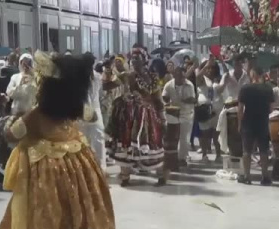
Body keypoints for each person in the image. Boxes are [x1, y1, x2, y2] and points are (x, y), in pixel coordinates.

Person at [0, 51, 115, 229]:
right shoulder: (75, 108)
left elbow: (11, 135)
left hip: (48, 173)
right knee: (79, 213)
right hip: (79, 167)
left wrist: (14, 119)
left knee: (49, 214)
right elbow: (92, 116)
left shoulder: (37, 114)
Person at [106, 46, 167, 186]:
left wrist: (163, 119)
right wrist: (108, 72)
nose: (133, 61)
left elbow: (158, 100)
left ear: (144, 60)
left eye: (137, 58)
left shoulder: (153, 77)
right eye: (132, 58)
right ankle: (125, 177)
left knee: (152, 144)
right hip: (130, 116)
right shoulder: (127, 76)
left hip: (148, 116)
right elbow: (107, 86)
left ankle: (160, 175)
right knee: (126, 145)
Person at [237, 66, 274, 185]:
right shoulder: (268, 89)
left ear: (252, 75)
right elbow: (271, 108)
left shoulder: (245, 88)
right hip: (262, 121)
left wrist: (239, 124)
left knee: (247, 150)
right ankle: (265, 176)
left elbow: (240, 109)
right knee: (264, 150)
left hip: (248, 121)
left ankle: (247, 176)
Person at [162, 65, 197, 166]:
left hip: (186, 113)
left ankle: (181, 158)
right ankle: (171, 157)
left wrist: (187, 100)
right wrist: (166, 100)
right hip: (172, 113)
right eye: (179, 76)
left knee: (184, 137)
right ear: (175, 75)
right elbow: (164, 96)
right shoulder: (169, 85)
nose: (181, 78)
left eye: (183, 76)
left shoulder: (189, 85)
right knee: (172, 137)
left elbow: (194, 99)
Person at [196, 56, 226, 163]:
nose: (209, 70)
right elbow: (197, 76)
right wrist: (207, 64)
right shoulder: (201, 79)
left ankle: (218, 155)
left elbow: (226, 77)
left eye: (211, 68)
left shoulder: (218, 78)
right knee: (204, 134)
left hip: (217, 109)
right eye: (207, 68)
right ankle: (204, 155)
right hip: (204, 110)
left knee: (216, 133)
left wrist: (222, 63)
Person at [80, 62, 107, 170]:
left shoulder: (98, 77)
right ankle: (85, 169)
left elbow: (102, 93)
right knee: (83, 140)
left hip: (96, 111)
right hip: (81, 113)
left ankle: (101, 169)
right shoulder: (78, 77)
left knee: (99, 139)